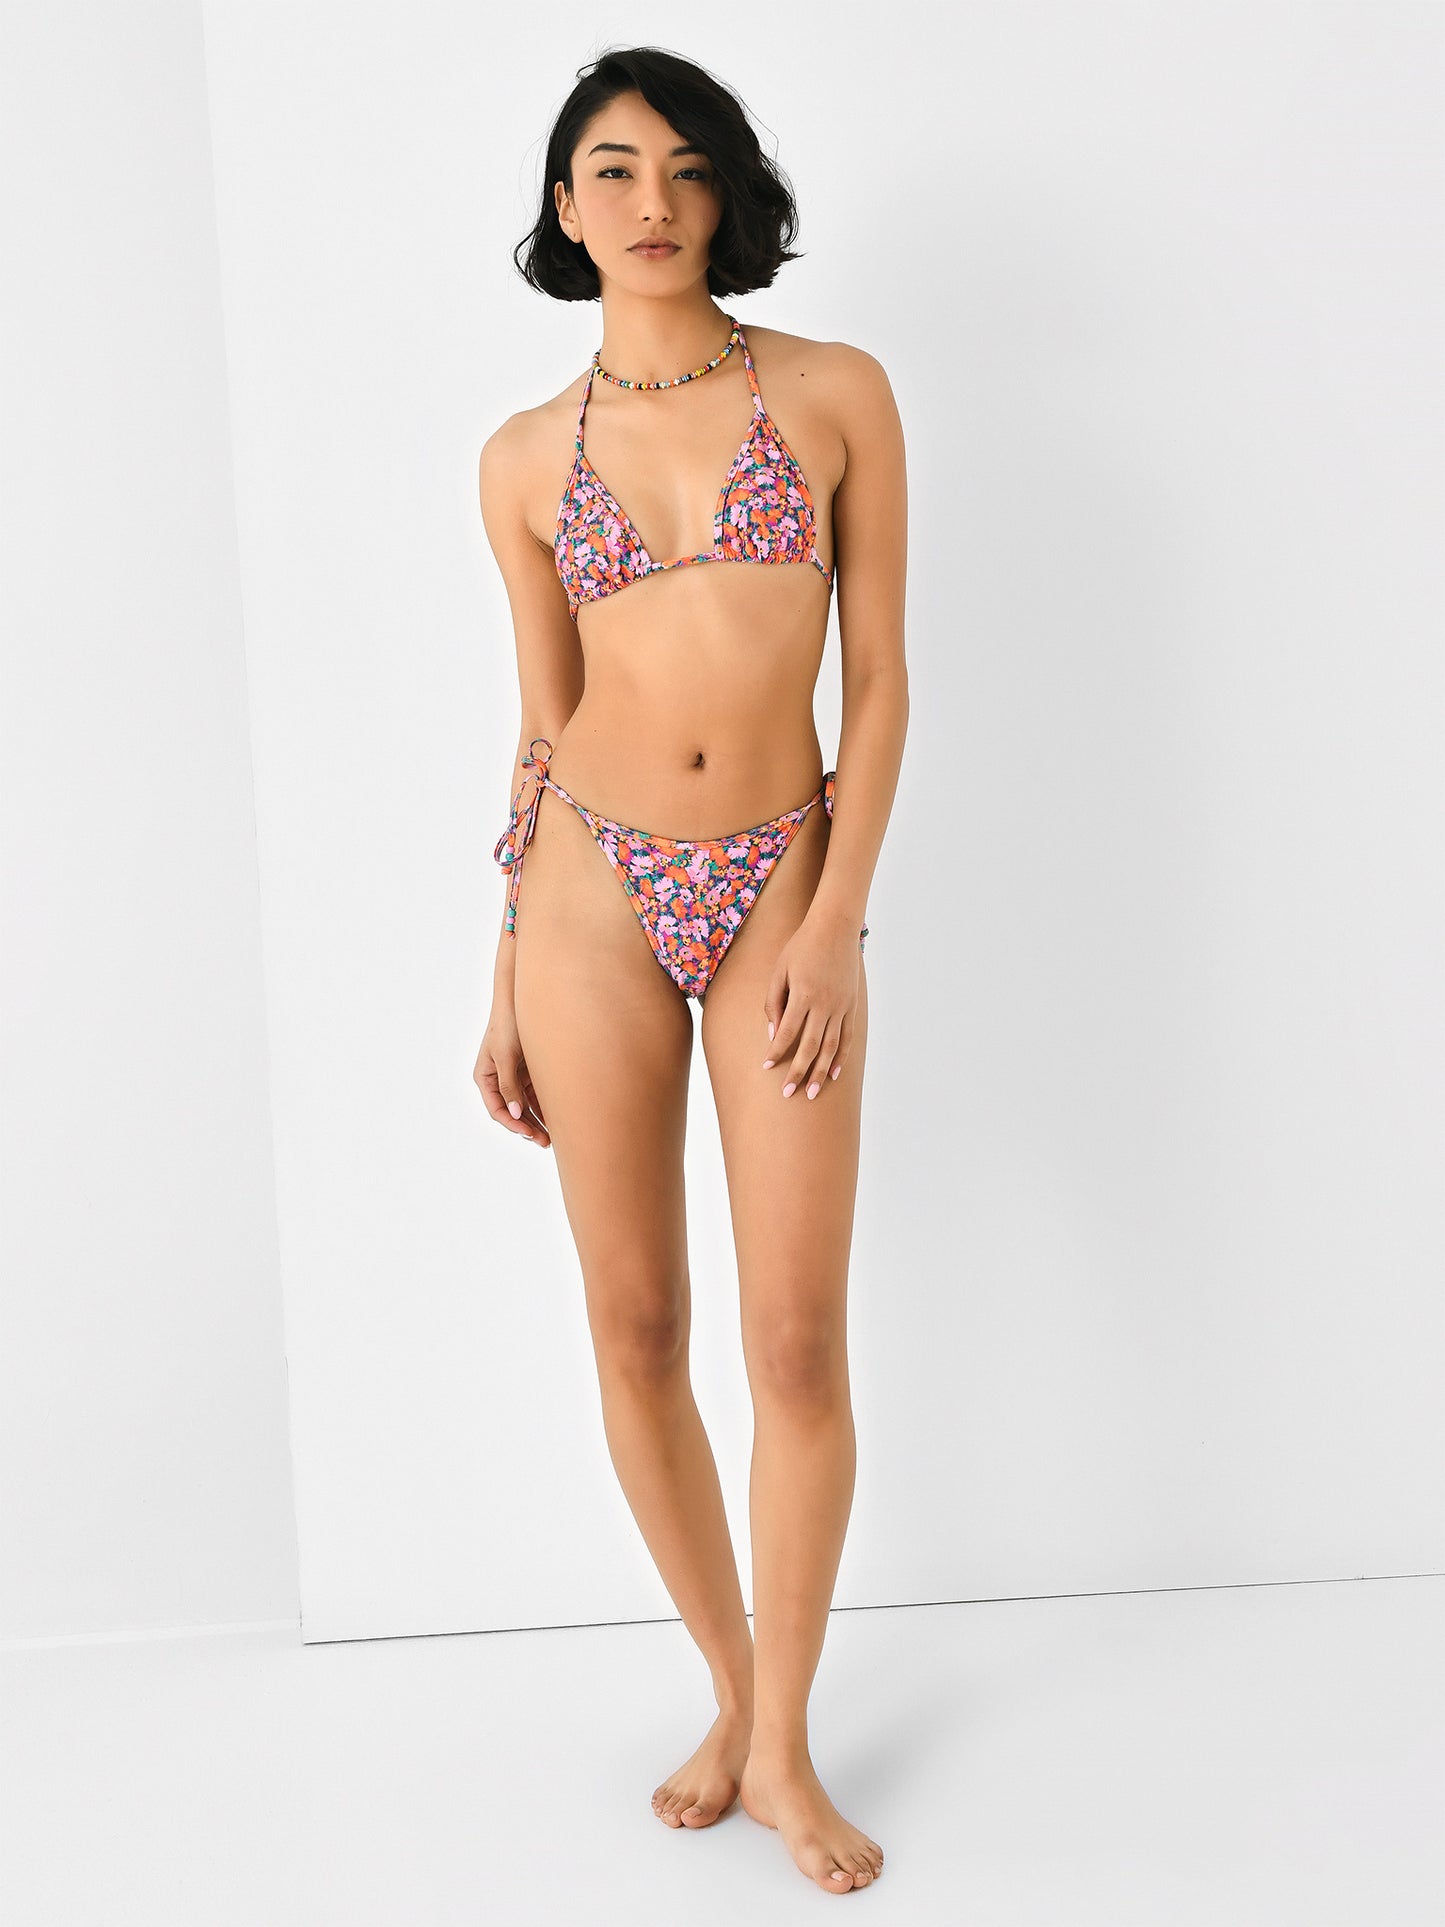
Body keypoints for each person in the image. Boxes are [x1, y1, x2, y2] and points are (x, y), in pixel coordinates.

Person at [473, 45, 908, 1896]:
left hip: (779, 881)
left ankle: (785, 1746)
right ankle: (734, 1697)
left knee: (793, 1338)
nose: (650, 202)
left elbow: (877, 680)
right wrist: (504, 963)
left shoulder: (832, 394)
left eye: (683, 168)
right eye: (610, 169)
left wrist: (833, 917)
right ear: (565, 210)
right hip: (586, 895)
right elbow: (542, 722)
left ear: (726, 193)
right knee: (634, 1325)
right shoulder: (519, 459)